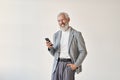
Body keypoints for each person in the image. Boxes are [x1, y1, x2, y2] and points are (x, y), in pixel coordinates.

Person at [45, 12, 87, 80]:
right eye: (59, 21)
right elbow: (54, 53)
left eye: (63, 19)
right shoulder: (56, 35)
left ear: (68, 19)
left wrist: (76, 65)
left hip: (69, 65)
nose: (61, 22)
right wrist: (50, 48)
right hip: (57, 64)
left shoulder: (77, 34)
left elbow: (83, 51)